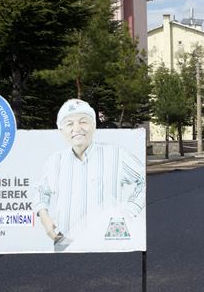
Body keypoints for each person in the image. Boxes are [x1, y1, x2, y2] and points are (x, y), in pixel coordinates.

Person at [33, 99, 145, 252]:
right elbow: (40, 190)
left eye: (83, 121)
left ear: (94, 125)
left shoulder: (116, 154)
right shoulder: (54, 161)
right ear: (61, 130)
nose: (77, 128)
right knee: (63, 276)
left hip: (106, 241)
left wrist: (129, 212)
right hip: (65, 242)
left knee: (107, 275)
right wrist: (45, 219)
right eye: (69, 124)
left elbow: (143, 180)